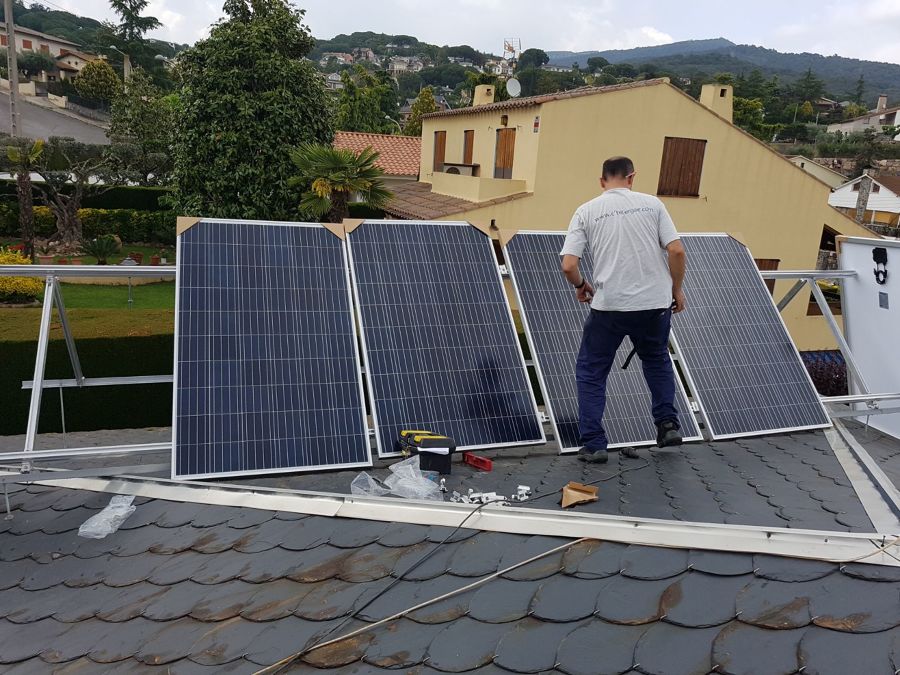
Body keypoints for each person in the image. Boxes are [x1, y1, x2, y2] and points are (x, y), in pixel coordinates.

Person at [560, 156, 687, 463]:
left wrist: (580, 285)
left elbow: (568, 265)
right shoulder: (653, 205)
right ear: (632, 177)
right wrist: (676, 290)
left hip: (610, 307)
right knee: (656, 360)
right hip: (654, 306)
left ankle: (594, 443)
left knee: (592, 372)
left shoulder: (587, 210)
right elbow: (676, 250)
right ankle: (667, 425)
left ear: (602, 181)